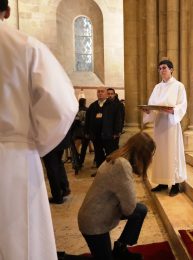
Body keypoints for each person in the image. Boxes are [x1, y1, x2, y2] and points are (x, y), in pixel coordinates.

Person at [0, 1, 78, 259]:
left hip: (15, 149)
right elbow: (63, 106)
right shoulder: (24, 46)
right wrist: (35, 144)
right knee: (20, 242)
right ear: (7, 12)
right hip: (13, 159)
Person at [78, 132, 156, 260]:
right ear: (143, 154)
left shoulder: (116, 157)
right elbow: (129, 208)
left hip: (95, 213)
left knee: (140, 210)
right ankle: (62, 257)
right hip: (94, 223)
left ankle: (120, 248)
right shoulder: (122, 165)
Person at [143, 59, 187, 197]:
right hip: (160, 124)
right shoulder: (157, 87)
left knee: (172, 153)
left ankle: (174, 184)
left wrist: (173, 111)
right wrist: (148, 111)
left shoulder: (178, 86)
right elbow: (152, 104)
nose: (162, 70)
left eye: (164, 68)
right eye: (160, 68)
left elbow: (182, 104)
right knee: (160, 153)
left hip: (171, 124)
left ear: (171, 69)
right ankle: (162, 182)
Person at [85, 87, 122, 170]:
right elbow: (87, 120)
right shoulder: (93, 105)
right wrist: (87, 132)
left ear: (106, 94)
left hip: (109, 134)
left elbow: (118, 119)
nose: (100, 93)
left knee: (110, 154)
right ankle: (100, 172)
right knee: (98, 154)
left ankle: (111, 171)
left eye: (102, 91)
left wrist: (117, 132)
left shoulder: (113, 105)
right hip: (96, 135)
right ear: (97, 93)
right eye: (98, 92)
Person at [43, 130, 72, 204]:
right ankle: (64, 189)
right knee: (58, 163)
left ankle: (57, 196)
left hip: (50, 139)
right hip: (61, 138)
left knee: (52, 168)